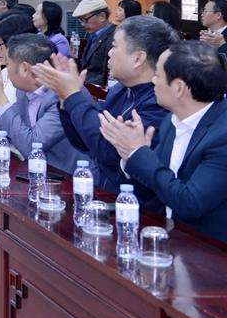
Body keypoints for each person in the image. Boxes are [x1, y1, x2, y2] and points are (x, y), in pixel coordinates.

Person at [99, 41, 227, 242]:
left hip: (209, 250)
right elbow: (154, 192)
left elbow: (190, 203)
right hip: (165, 238)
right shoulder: (171, 121)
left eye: (157, 75)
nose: (153, 81)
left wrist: (139, 153)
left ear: (178, 88)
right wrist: (128, 155)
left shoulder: (222, 135)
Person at [33, 15, 177, 193]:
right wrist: (65, 100)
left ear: (138, 59)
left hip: (135, 201)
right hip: (106, 192)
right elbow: (85, 142)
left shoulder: (159, 104)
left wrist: (73, 95)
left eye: (115, 46)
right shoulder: (120, 90)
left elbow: (108, 152)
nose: (109, 53)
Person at [0, 34, 83, 174]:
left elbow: (32, 147)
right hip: (36, 174)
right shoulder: (23, 91)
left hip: (72, 178)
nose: (6, 69)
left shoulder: (63, 94)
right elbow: (6, 136)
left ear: (24, 69)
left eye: (8, 64)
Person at [73, 0, 115, 86]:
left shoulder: (114, 38)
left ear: (102, 16)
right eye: (80, 20)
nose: (82, 24)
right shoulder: (93, 35)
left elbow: (107, 74)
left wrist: (83, 83)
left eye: (85, 19)